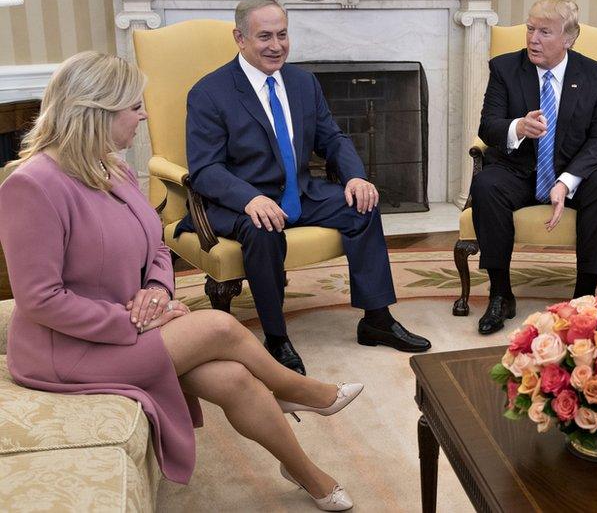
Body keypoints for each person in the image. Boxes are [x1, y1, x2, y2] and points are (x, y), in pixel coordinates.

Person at [0, 51, 362, 511]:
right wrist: (135, 322)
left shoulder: (113, 167)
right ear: (95, 111)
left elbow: (155, 244)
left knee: (233, 378)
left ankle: (305, 471)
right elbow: (40, 300)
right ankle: (298, 389)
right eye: (134, 106)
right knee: (219, 327)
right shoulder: (31, 186)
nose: (144, 113)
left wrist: (158, 292)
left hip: (124, 325)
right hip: (65, 351)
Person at [180, 0, 431, 374]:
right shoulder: (209, 93)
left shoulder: (302, 82)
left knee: (362, 206)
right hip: (240, 203)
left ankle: (376, 318)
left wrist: (356, 177)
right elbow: (204, 169)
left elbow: (332, 138)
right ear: (239, 38)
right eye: (265, 36)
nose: (276, 45)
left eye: (282, 34)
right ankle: (277, 338)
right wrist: (250, 199)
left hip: (300, 192)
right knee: (262, 227)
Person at [471, 0, 597, 335]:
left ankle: (583, 297)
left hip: (573, 170)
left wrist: (566, 181)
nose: (532, 39)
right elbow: (488, 125)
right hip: (518, 171)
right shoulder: (505, 68)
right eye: (530, 29)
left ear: (569, 38)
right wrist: (517, 128)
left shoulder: (595, 76)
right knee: (486, 185)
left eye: (544, 32)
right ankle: (500, 293)